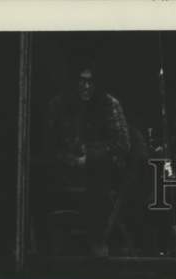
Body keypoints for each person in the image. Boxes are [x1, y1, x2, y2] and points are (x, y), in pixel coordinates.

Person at [43, 60, 131, 258]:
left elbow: (122, 144)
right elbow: (48, 143)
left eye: (90, 81)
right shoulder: (59, 104)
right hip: (65, 167)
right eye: (81, 81)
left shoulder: (109, 104)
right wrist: (69, 159)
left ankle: (97, 240)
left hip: (100, 170)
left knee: (98, 177)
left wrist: (90, 156)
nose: (86, 86)